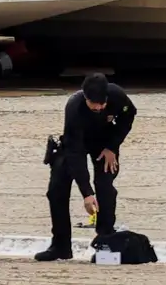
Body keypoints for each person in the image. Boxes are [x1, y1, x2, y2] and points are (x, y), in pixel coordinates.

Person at [35, 73, 137, 262]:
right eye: (94, 104)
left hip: (104, 144)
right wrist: (87, 193)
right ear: (85, 98)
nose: (99, 107)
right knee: (56, 189)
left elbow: (128, 116)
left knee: (105, 187)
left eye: (102, 104)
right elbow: (75, 154)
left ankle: (105, 243)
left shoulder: (117, 96)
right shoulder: (74, 107)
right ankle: (61, 245)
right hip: (76, 144)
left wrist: (112, 146)